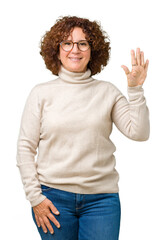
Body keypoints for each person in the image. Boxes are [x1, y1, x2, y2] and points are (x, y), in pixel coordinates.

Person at [16, 15, 150, 240]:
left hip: (102, 201)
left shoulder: (108, 92)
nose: (74, 50)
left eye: (82, 43)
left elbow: (139, 133)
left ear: (92, 50)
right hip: (53, 199)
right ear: (57, 50)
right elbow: (25, 148)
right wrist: (35, 198)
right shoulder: (41, 94)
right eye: (67, 43)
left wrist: (135, 91)